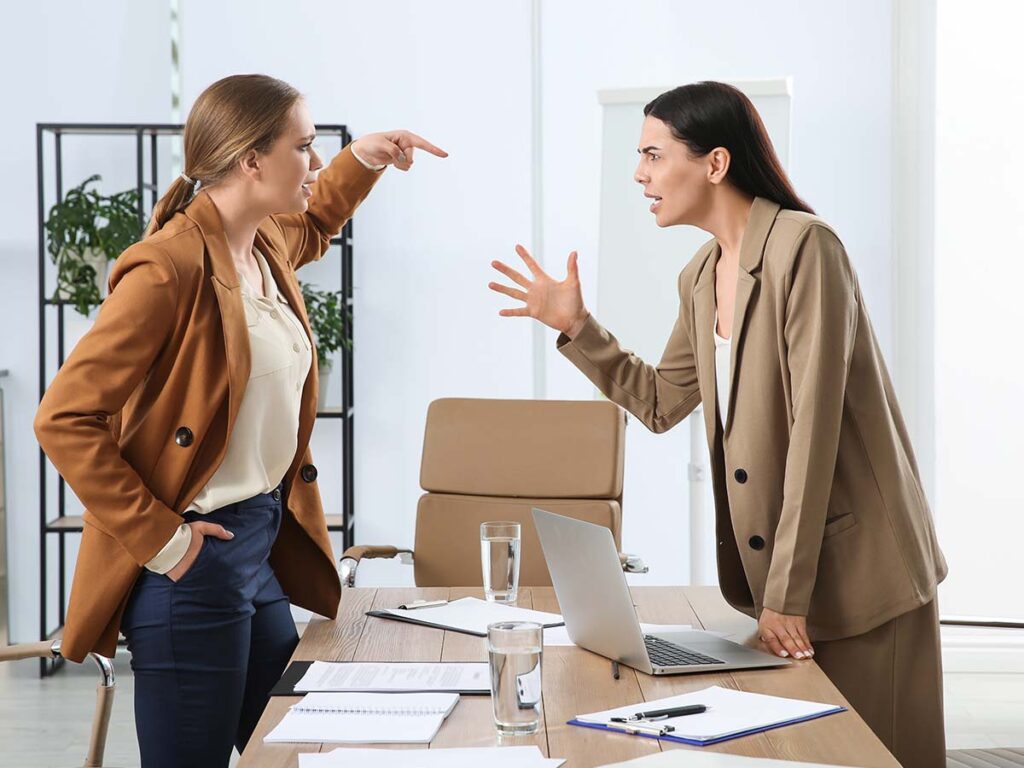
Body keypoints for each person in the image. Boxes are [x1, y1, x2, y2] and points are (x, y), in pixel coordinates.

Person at [488, 81, 947, 768]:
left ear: (715, 163)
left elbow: (814, 431)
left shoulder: (806, 248)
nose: (639, 174)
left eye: (652, 154)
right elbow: (660, 402)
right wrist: (578, 328)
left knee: (879, 757)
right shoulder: (701, 276)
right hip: (790, 588)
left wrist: (785, 596)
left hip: (862, 575)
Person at [34, 73, 446, 767]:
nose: (315, 163)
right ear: (252, 160)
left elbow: (317, 221)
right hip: (193, 564)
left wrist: (365, 157)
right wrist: (165, 541)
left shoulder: (262, 243)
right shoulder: (166, 269)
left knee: (294, 751)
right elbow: (64, 417)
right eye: (304, 147)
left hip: (257, 546)